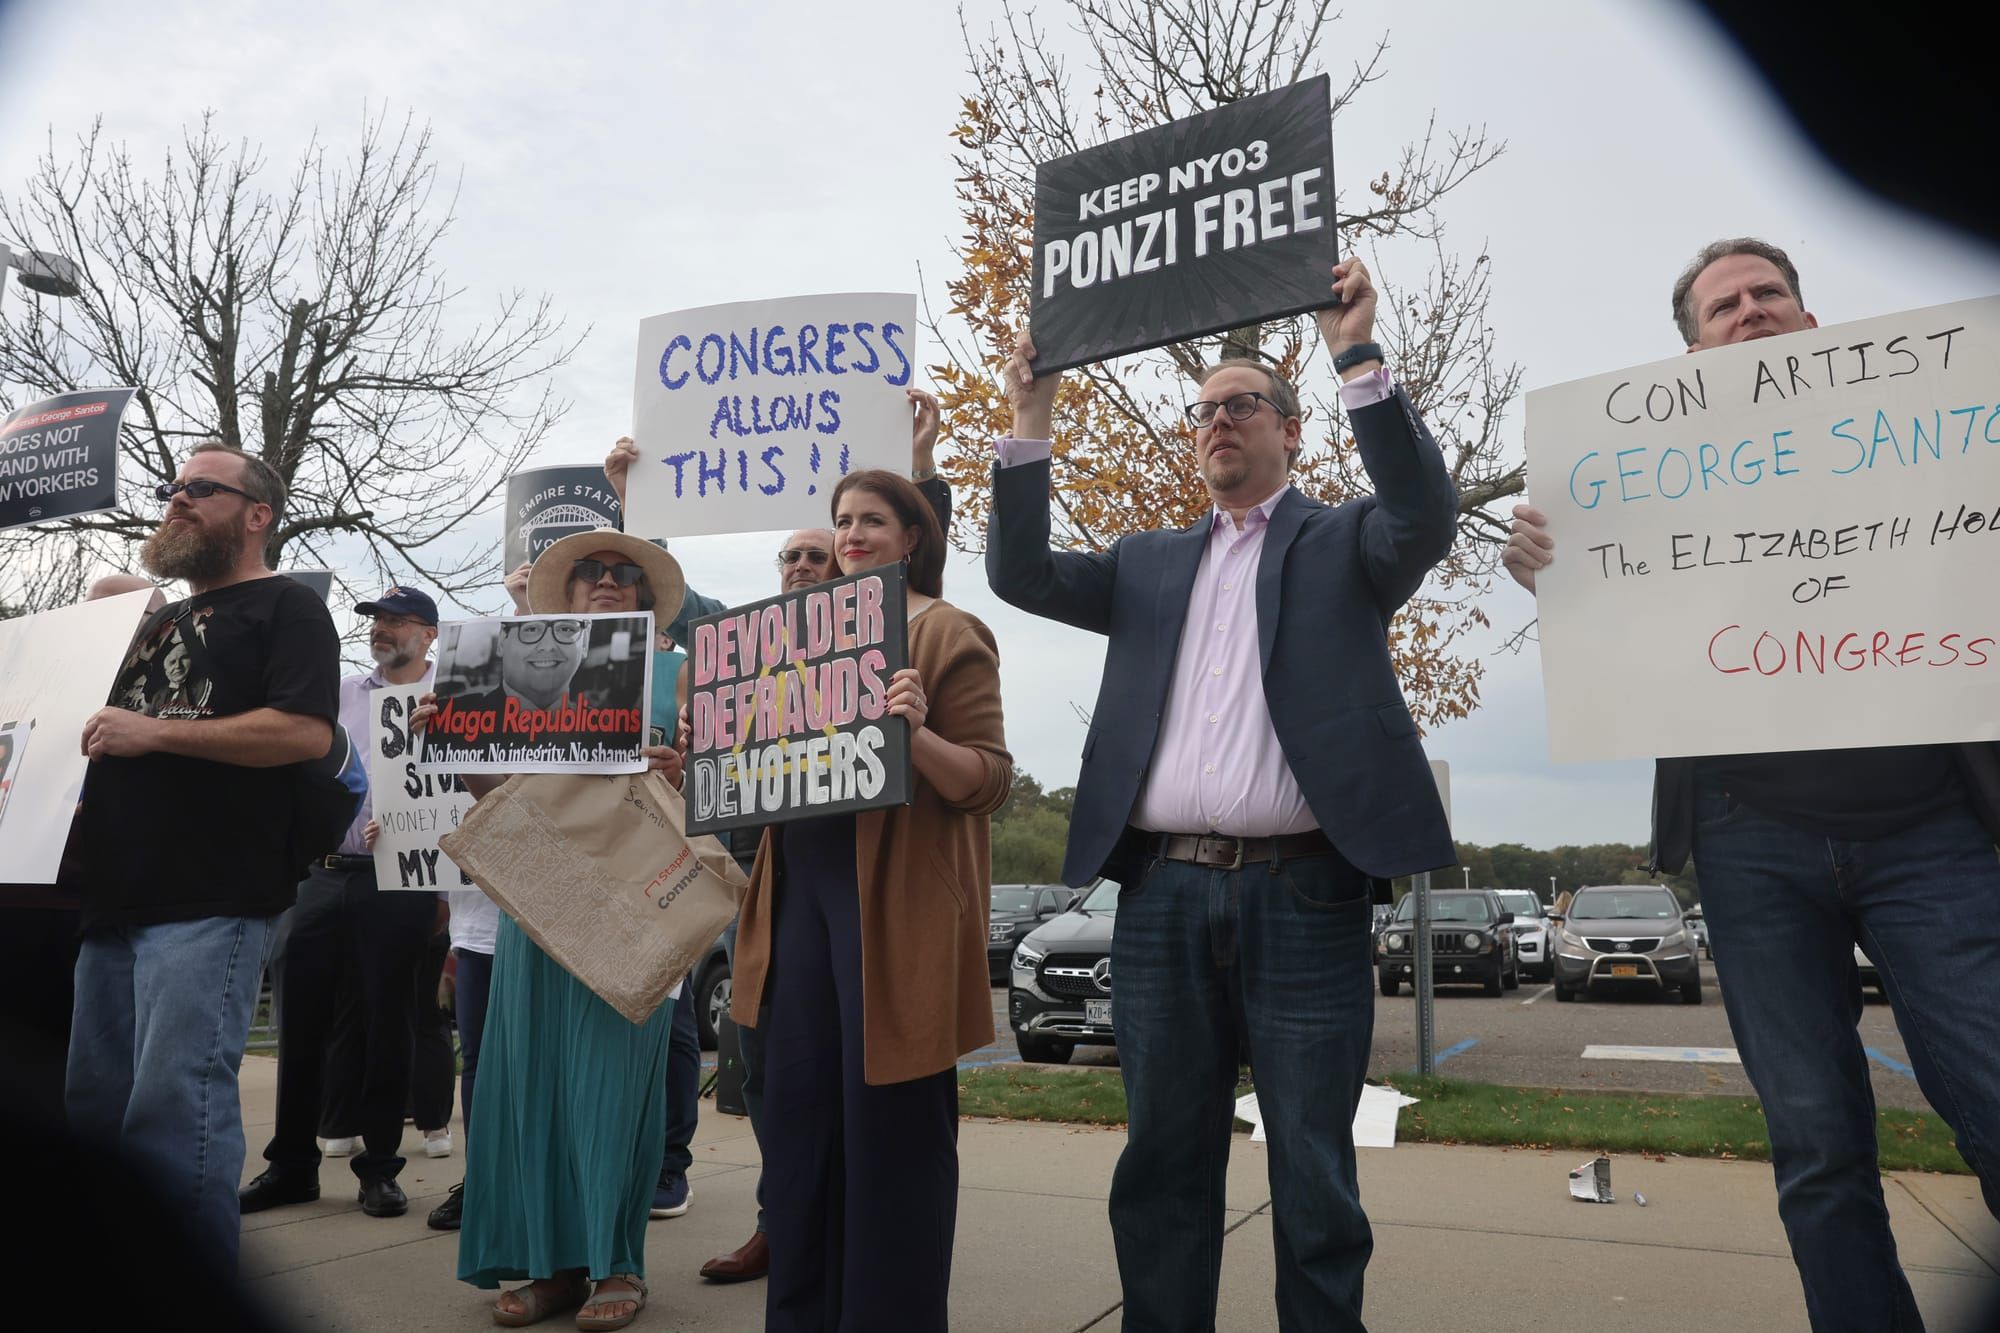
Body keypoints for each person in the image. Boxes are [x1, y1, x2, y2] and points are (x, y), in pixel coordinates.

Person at [1501, 236, 2000, 1332]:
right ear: (1691, 356)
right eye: (1723, 306)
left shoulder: (1933, 432)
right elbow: (1612, 617)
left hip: (1931, 827)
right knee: (1816, 1146)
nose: (1750, 311)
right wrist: (1549, 568)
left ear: (1810, 322)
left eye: (1769, 293)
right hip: (1747, 840)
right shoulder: (1640, 483)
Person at [987, 259, 1457, 1331]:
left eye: (1241, 405)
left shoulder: (1345, 540)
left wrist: (1354, 351)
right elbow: (1020, 573)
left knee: (1311, 1162)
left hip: (1305, 894)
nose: (1216, 423)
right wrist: (1030, 415)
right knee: (1162, 1158)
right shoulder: (1146, 563)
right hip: (1159, 896)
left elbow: (1424, 513)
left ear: (1290, 431)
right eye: (1201, 411)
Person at [593, 388, 956, 1284]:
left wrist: (919, 465)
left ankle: (821, 1230)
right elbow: (680, 608)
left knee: (851, 1076)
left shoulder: (890, 633)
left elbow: (918, 565)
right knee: (770, 1072)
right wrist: (640, 509)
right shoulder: (748, 648)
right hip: (761, 886)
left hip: (859, 889)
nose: (802, 563)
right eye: (791, 553)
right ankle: (783, 1217)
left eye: (818, 551)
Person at [726, 467, 1011, 1331]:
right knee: (799, 1138)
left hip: (892, 915)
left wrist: (915, 735)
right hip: (795, 906)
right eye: (843, 519)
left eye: (872, 520)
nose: (851, 534)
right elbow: (753, 783)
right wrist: (715, 746)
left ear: (911, 536)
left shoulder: (945, 630)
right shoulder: (785, 643)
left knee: (892, 1143)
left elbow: (988, 780)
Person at [64, 443, 342, 1273]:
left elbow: (304, 731)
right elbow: (103, 603)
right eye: (172, 487)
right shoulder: (154, 621)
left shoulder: (289, 607)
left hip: (210, 895)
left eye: (201, 488)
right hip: (113, 896)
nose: (178, 498)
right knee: (94, 1109)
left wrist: (155, 732)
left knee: (173, 1109)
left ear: (258, 515)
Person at [434, 531, 691, 1331]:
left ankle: (617, 1262)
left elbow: (718, 788)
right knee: (532, 1079)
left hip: (631, 900)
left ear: (643, 595)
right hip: (537, 896)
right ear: (566, 592)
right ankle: (550, 1264)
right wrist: (455, 735)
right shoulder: (517, 670)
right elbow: (495, 797)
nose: (607, 581)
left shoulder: (678, 673)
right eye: (590, 571)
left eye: (624, 573)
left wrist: (680, 769)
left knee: (613, 1084)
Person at [239, 587, 447, 1220]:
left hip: (402, 878)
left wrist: (441, 885)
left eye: (396, 620)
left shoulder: (450, 699)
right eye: (376, 619)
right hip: (323, 873)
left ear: (429, 635)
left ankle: (379, 1167)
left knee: (389, 1023)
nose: (381, 629)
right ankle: (291, 1164)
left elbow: (460, 792)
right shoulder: (339, 694)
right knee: (300, 1020)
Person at [0, 575, 165, 1129]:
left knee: (80, 1072)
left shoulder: (176, 704)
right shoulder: (35, 684)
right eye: (92, 611)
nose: (104, 625)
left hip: (98, 915)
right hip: (16, 900)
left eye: (126, 614)